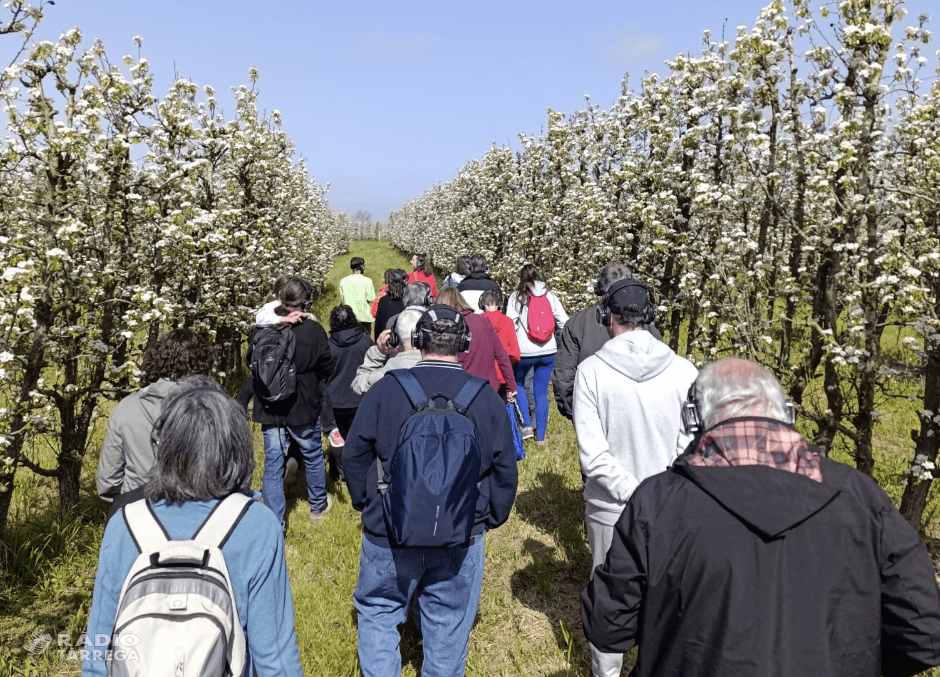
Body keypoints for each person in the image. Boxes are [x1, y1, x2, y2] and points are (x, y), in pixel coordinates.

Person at [581, 357, 940, 677]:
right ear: (785, 412)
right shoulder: (862, 497)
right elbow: (925, 633)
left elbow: (608, 626)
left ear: (694, 418)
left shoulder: (657, 502)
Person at [83, 376, 304, 677]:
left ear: (164, 446)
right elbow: (275, 658)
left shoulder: (125, 523)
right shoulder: (257, 525)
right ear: (236, 449)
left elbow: (98, 649)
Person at [343, 305, 518, 677]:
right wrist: (488, 518)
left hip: (388, 531)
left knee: (377, 613)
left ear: (418, 341)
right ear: (465, 346)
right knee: (448, 625)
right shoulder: (486, 398)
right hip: (460, 534)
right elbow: (505, 470)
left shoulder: (385, 391)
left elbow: (355, 453)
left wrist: (367, 504)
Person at [573, 278, 697, 677]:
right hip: (672, 508)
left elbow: (594, 456)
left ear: (606, 316)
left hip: (611, 509)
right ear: (650, 318)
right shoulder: (684, 371)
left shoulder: (591, 372)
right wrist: (659, 491)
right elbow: (691, 445)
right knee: (667, 600)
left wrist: (634, 493)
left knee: (610, 601)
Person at [237, 277, 335, 527]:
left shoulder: (263, 328)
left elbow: (253, 362)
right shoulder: (313, 330)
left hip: (270, 406)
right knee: (312, 454)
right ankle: (317, 507)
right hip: (302, 403)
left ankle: (273, 519)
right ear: (305, 302)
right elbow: (327, 365)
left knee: (273, 463)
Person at [96, 328, 216, 517]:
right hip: (197, 516)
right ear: (202, 363)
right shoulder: (215, 410)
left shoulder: (126, 407)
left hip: (138, 515)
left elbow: (107, 481)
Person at [551, 262, 661, 420]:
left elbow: (564, 379)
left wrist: (577, 413)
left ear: (600, 289)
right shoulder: (647, 326)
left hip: (592, 416)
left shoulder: (576, 324)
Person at [505, 263, 569, 444]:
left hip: (524, 352)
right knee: (541, 392)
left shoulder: (517, 298)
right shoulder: (550, 296)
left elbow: (510, 323)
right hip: (549, 351)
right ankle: (541, 438)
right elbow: (564, 322)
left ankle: (526, 426)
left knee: (518, 383)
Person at [436, 287, 516, 399]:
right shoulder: (482, 320)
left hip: (463, 391)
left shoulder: (447, 328)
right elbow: (501, 356)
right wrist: (511, 386)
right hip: (489, 388)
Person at [324, 304, 374, 481]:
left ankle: (337, 474)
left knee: (336, 439)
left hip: (335, 402)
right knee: (360, 441)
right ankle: (358, 474)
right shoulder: (365, 341)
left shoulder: (328, 346)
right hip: (360, 398)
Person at [351, 308, 424, 394]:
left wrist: (378, 352)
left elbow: (358, 385)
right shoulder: (438, 369)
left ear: (395, 339)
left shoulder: (384, 374)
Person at [481, 288, 521, 399]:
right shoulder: (508, 322)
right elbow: (515, 354)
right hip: (502, 375)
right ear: (500, 305)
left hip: (481, 375)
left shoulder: (479, 321)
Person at [339, 257, 376, 334]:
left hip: (349, 316)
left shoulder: (343, 281)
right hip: (364, 316)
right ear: (361, 267)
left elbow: (342, 301)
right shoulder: (367, 281)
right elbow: (371, 298)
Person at [373, 269, 407, 340]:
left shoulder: (383, 301)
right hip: (404, 339)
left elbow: (378, 326)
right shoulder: (407, 300)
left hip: (387, 340)